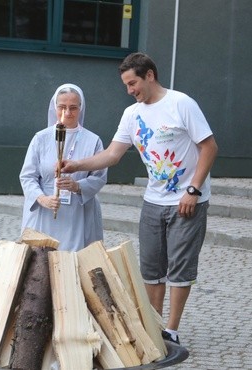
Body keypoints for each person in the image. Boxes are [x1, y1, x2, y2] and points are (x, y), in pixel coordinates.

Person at [61, 52, 218, 344]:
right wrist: (77, 165)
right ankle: (154, 323)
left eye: (133, 83)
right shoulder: (132, 114)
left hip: (187, 200)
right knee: (151, 267)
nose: (130, 90)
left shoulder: (181, 104)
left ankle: (171, 329)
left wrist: (193, 190)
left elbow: (209, 147)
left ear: (149, 75)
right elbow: (112, 154)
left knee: (180, 266)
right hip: (153, 201)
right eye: (126, 86)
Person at [19, 83, 107, 251]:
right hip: (44, 211)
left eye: (73, 108)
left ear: (80, 108)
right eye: (62, 107)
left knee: (74, 263)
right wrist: (41, 198)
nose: (67, 113)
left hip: (78, 212)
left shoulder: (93, 140)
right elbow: (27, 176)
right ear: (55, 107)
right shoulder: (41, 138)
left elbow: (99, 176)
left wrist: (77, 186)